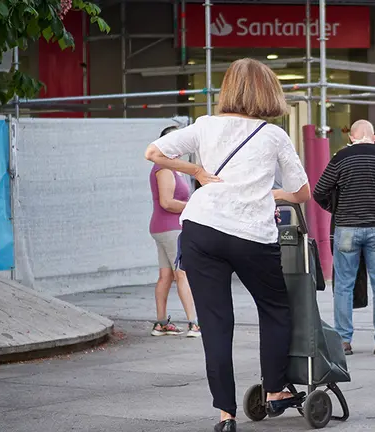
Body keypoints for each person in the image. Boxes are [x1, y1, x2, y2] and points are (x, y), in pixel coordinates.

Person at [144, 58, 311, 432]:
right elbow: (302, 193)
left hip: (202, 229)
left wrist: (197, 172)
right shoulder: (274, 135)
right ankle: (274, 391)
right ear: (270, 91)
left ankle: (225, 414)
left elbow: (153, 152)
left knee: (216, 323)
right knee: (274, 310)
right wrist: (270, 193)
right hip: (252, 234)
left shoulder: (205, 126)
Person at [313, 119, 375, 356]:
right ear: (374, 137)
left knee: (343, 285)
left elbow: (319, 191)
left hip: (346, 229)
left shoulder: (341, 157)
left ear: (351, 137)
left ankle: (343, 341)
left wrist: (337, 208)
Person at [148, 125, 201, 338]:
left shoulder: (170, 167)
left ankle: (161, 324)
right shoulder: (164, 168)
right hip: (170, 228)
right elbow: (167, 202)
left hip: (163, 227)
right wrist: (195, 206)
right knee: (183, 274)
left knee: (166, 276)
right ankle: (194, 324)